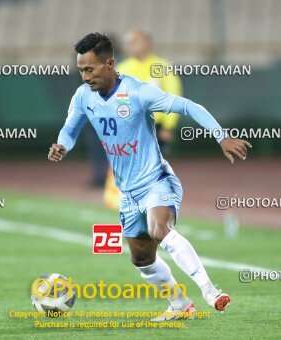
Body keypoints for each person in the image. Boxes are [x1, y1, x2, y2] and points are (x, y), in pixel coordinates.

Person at [48, 33, 251, 321]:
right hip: (127, 193)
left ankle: (210, 291)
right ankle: (180, 305)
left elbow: (188, 106)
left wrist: (222, 136)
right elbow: (70, 129)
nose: (84, 76)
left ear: (109, 64)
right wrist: (62, 147)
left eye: (90, 69)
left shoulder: (138, 92)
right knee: (142, 259)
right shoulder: (83, 96)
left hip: (157, 180)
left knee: (159, 230)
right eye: (81, 70)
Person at [103, 28, 184, 209]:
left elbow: (174, 95)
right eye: (129, 43)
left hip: (156, 127)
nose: (131, 46)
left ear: (148, 43)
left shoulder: (162, 67)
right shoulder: (123, 69)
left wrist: (169, 127)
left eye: (135, 41)